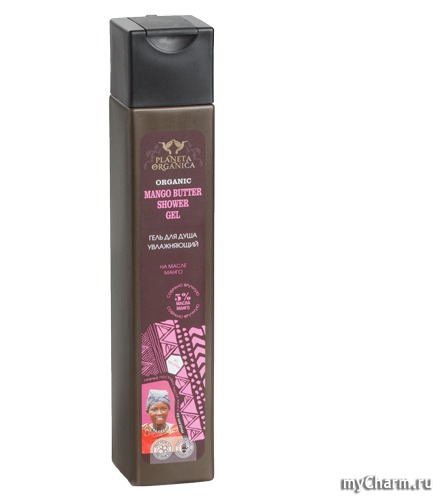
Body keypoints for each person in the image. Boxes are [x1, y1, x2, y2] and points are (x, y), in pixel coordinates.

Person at [142, 389, 182, 454]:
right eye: (154, 409)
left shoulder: (178, 431)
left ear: (168, 409)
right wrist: (149, 437)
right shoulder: (142, 433)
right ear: (148, 411)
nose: (159, 413)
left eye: (163, 409)